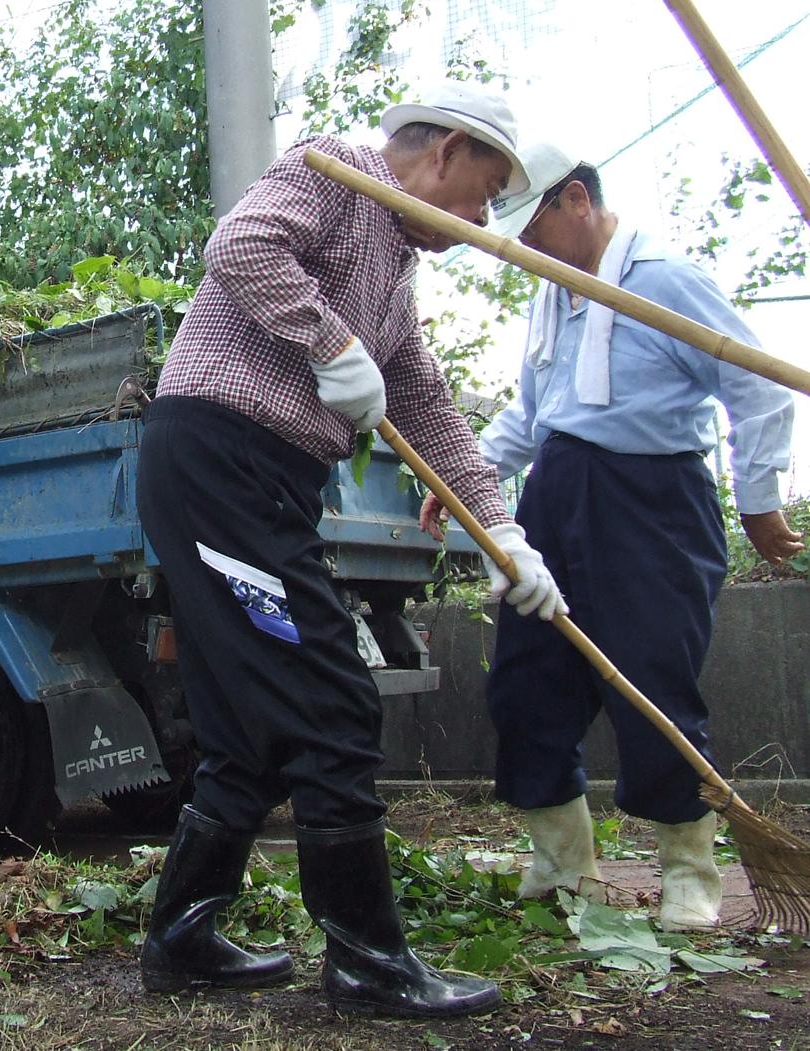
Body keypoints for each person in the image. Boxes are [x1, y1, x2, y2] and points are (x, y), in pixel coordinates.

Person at [136, 81, 566, 1019]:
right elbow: (240, 244)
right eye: (482, 192)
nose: (482, 218)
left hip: (263, 480)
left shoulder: (396, 279)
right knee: (329, 696)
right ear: (443, 152)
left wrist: (503, 530)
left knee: (248, 720)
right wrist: (329, 342)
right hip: (217, 458)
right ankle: (369, 961)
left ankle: (181, 933)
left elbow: (430, 412)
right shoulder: (337, 173)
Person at [420, 142, 800, 931]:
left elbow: (756, 383)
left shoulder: (664, 279)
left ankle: (690, 868)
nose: (522, 249)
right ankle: (564, 860)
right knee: (528, 680)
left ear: (577, 202)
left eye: (532, 230)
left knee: (654, 682)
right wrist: (469, 475)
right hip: (555, 501)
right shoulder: (551, 297)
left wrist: (760, 499)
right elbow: (533, 413)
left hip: (652, 500)